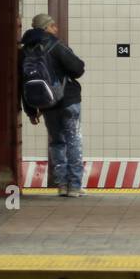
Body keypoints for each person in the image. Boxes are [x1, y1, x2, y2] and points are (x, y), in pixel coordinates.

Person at [20, 13, 87, 196]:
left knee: (57, 142)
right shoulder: (55, 45)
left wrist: (31, 111)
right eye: (53, 25)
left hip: (47, 104)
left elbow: (23, 82)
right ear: (46, 27)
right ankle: (74, 186)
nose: (56, 29)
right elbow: (78, 68)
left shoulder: (25, 50)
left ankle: (62, 185)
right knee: (73, 141)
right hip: (68, 101)